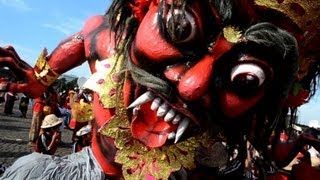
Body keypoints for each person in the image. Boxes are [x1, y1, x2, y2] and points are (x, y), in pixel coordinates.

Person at [0, 1, 320, 179]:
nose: (192, 86)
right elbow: (87, 36)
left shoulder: (233, 140)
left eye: (246, 79)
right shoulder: (107, 41)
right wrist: (39, 78)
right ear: (142, 6)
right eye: (180, 28)